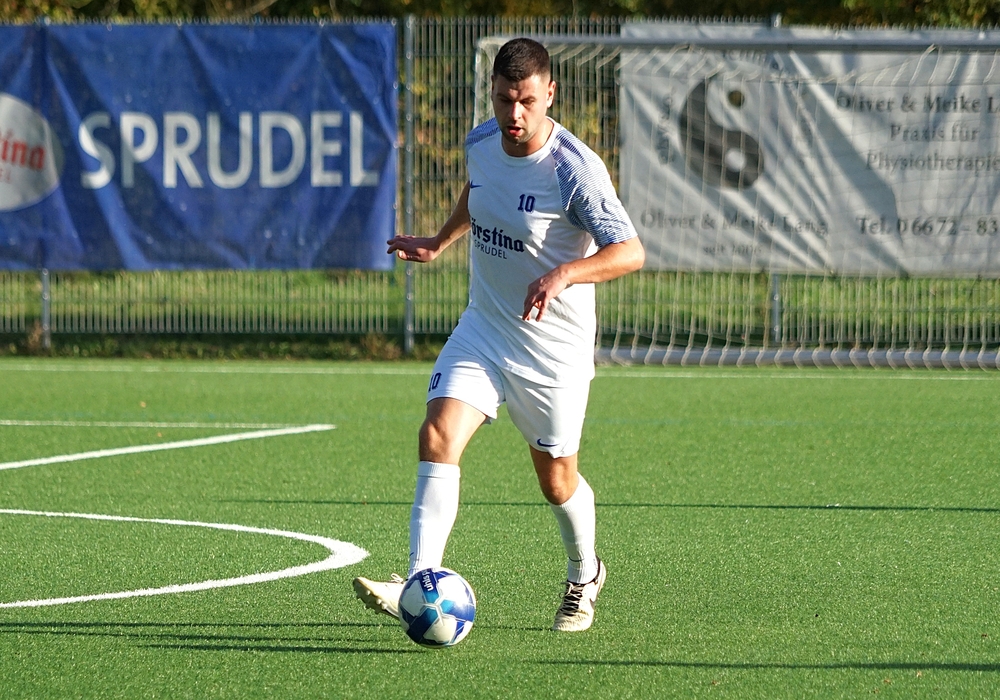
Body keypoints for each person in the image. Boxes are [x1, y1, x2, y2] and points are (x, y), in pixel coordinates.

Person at [353, 37, 644, 633]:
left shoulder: (574, 169)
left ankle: (585, 572)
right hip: (485, 327)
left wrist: (566, 273)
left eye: (527, 101)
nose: (515, 114)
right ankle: (419, 580)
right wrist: (439, 241)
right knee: (437, 433)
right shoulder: (482, 142)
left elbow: (630, 251)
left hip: (553, 351)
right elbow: (481, 193)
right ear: (491, 92)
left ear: (550, 94)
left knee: (556, 480)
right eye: (505, 99)